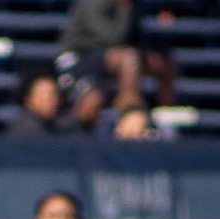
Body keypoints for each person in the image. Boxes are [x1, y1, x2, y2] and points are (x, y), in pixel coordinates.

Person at [55, 0, 180, 128]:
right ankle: (129, 102)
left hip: (113, 57)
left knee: (164, 64)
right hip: (81, 56)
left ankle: (166, 115)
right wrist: (124, 8)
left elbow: (138, 37)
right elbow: (112, 38)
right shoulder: (94, 3)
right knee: (129, 58)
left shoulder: (138, 5)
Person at [9, 68, 75, 136]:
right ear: (28, 100)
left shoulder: (52, 124)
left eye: (53, 94)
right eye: (43, 95)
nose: (51, 101)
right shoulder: (28, 128)